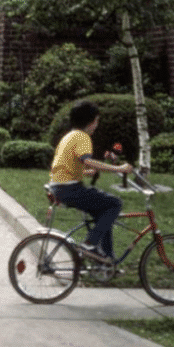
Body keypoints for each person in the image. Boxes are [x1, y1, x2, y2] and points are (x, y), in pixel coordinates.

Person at [49, 101, 133, 263]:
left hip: (59, 186)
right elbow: (87, 160)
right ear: (91, 122)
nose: (97, 125)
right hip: (70, 189)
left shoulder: (69, 136)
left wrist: (87, 173)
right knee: (115, 204)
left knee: (103, 214)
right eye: (97, 121)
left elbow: (65, 166)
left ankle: (106, 259)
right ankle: (89, 244)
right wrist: (119, 168)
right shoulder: (82, 137)